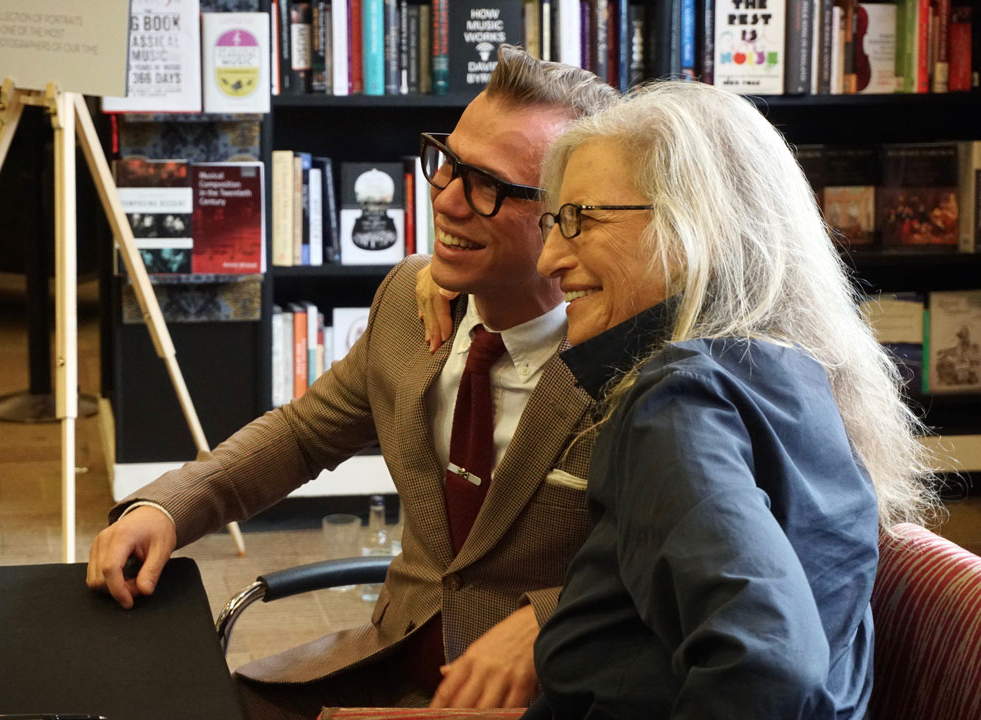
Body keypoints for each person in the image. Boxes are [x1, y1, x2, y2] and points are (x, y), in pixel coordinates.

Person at [86, 46, 619, 720]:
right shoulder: (409, 298)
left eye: (488, 184)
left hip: (537, 699)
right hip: (387, 659)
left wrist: (551, 613)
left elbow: (669, 565)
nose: (446, 199)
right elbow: (304, 434)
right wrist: (166, 506)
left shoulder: (630, 365)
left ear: (570, 214)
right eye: (447, 162)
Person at [519, 81, 940, 719]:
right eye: (553, 222)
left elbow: (769, 665)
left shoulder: (679, 398)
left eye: (581, 218)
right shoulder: (793, 376)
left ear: (698, 226)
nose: (550, 256)